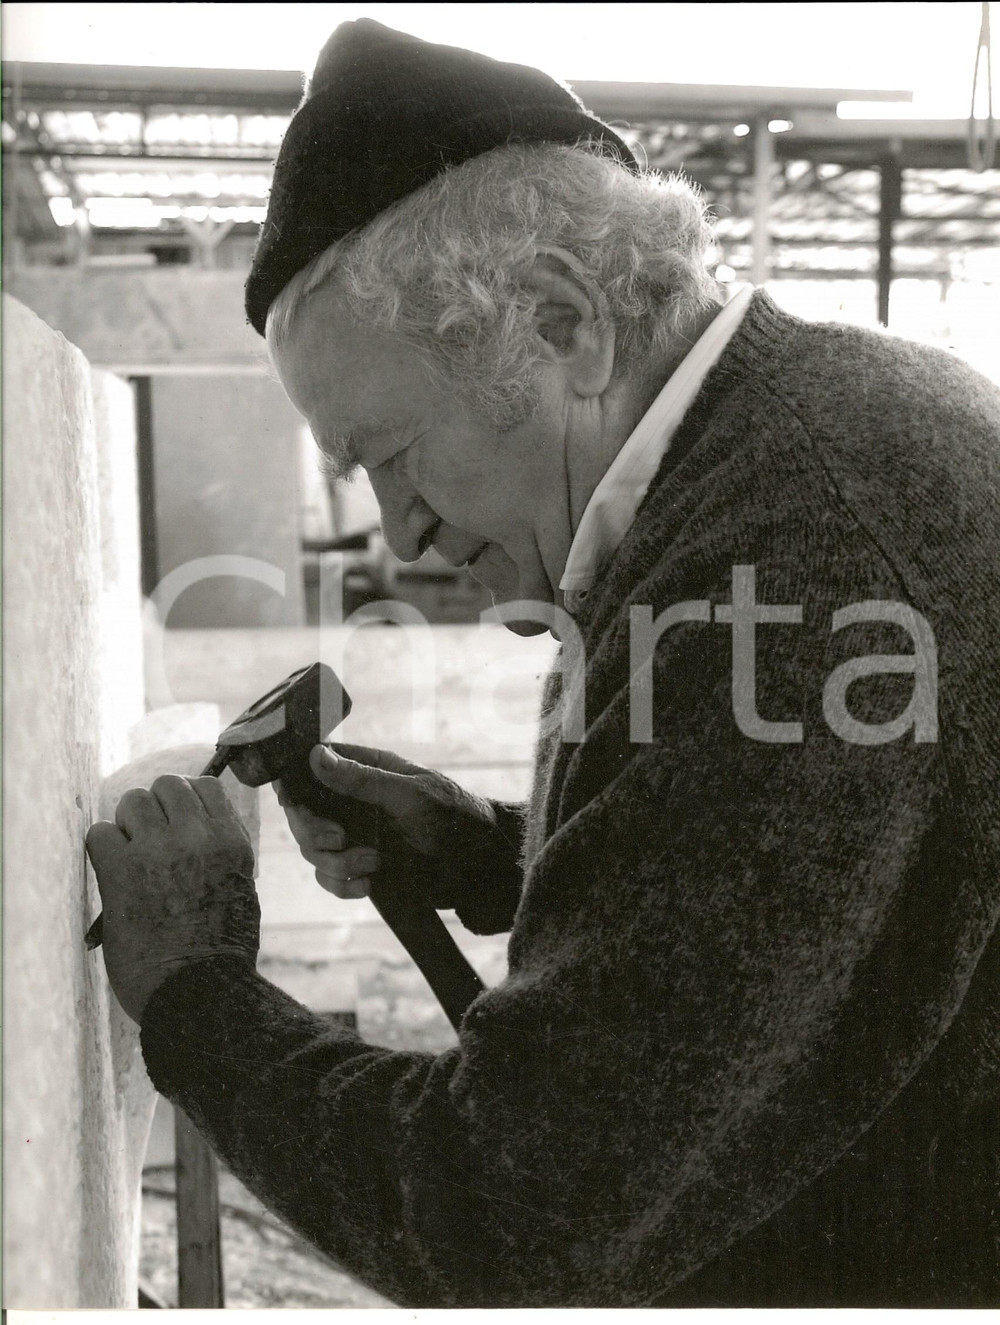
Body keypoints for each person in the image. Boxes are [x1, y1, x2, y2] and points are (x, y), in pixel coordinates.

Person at [86, 19, 1000, 1307]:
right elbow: (822, 864)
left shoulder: (803, 562)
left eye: (391, 454)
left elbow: (501, 1215)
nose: (396, 531)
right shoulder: (786, 446)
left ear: (563, 322)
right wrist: (494, 852)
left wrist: (192, 995)